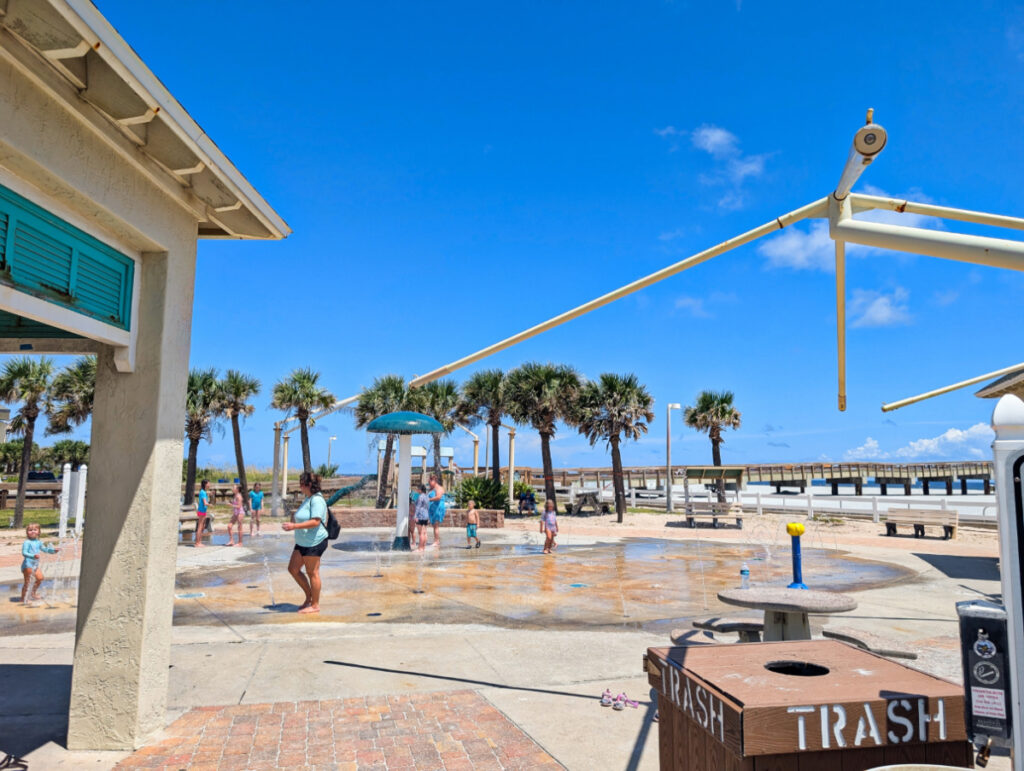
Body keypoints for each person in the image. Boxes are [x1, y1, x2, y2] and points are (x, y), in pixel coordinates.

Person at [282, 471, 328, 614]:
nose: (300, 487)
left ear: (308, 485)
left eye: (301, 484)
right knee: (293, 569)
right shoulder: (308, 498)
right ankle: (309, 596)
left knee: (312, 572)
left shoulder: (317, 500)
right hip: (303, 542)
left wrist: (294, 526)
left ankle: (315, 605)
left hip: (314, 542)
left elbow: (315, 521)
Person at [20, 522, 57, 603]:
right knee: (28, 582)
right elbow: (24, 553)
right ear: (27, 532)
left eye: (35, 530)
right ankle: (23, 598)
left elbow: (45, 549)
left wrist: (53, 551)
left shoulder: (39, 542)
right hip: (27, 565)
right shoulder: (27, 542)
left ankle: (32, 593)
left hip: (35, 565)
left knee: (40, 578)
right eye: (30, 530)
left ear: (39, 532)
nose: (33, 531)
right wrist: (33, 556)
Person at [427, 474, 446, 549]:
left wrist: (428, 499)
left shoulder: (439, 488)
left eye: (430, 482)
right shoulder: (432, 488)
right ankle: (436, 540)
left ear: (434, 481)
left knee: (436, 525)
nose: (429, 484)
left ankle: (436, 541)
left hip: (438, 508)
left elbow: (438, 497)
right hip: (433, 508)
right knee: (434, 526)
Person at [414, 484, 430, 552]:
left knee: (420, 533)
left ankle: (420, 548)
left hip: (420, 516)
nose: (417, 490)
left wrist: (415, 516)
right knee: (424, 533)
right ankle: (423, 547)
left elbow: (418, 507)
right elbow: (428, 507)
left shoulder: (420, 497)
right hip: (426, 516)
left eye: (417, 489)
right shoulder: (427, 497)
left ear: (420, 490)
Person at [194, 479, 210, 547]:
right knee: (200, 526)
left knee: (202, 526)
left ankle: (199, 541)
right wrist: (210, 504)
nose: (209, 485)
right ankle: (197, 543)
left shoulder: (203, 492)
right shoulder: (203, 492)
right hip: (201, 511)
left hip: (203, 511)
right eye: (209, 483)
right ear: (205, 484)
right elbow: (205, 503)